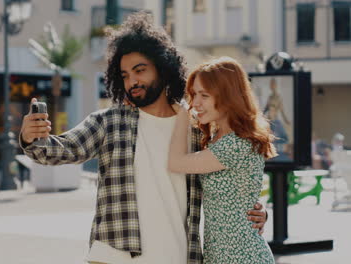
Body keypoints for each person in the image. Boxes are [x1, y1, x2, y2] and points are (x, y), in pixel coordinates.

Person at [19, 12, 267, 264]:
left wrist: (256, 211)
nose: (132, 81)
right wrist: (31, 138)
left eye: (140, 71)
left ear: (162, 68)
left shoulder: (194, 129)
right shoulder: (109, 122)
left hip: (179, 256)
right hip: (115, 256)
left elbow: (230, 182)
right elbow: (59, 150)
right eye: (125, 75)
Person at [168, 57, 276, 263]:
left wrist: (182, 114)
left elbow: (175, 163)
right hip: (221, 256)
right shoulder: (217, 138)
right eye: (194, 94)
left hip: (242, 257)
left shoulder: (236, 143)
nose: (195, 103)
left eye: (204, 95)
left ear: (228, 97)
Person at [264, 78, 291, 162]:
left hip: (276, 122)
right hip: (269, 121)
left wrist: (286, 121)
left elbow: (282, 111)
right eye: (270, 84)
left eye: (273, 84)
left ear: (275, 85)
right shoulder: (269, 97)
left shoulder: (278, 97)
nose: (271, 86)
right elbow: (265, 109)